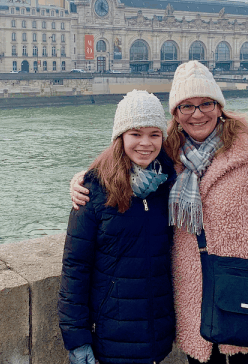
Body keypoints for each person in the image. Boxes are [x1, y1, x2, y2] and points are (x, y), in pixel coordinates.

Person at [71, 61, 248, 364]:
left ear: (219, 106)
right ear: (176, 114)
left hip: (246, 297)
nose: (197, 114)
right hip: (192, 305)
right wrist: (83, 178)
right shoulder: (168, 157)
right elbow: (126, 167)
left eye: (205, 103)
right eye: (186, 106)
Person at [59, 90, 176, 364]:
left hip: (158, 335)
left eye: (154, 134)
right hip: (111, 336)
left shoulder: (169, 185)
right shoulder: (93, 190)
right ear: (120, 137)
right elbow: (75, 269)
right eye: (135, 134)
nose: (145, 143)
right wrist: (77, 340)